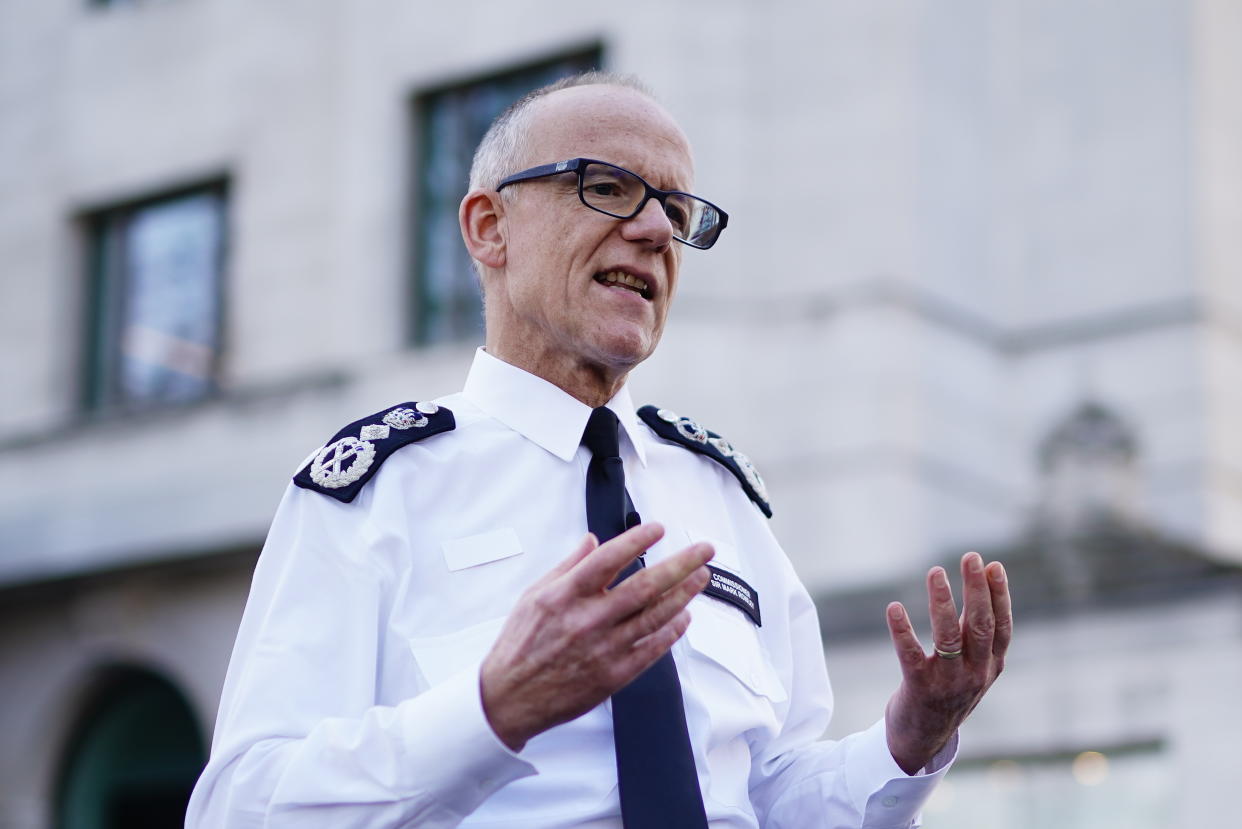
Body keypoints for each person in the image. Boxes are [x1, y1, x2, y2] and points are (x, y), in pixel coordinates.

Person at [186, 72, 1011, 829]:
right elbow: (239, 807)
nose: (656, 229)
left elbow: (768, 793)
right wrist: (492, 707)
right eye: (608, 187)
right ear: (488, 227)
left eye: (678, 212)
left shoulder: (720, 495)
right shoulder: (381, 489)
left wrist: (908, 738)